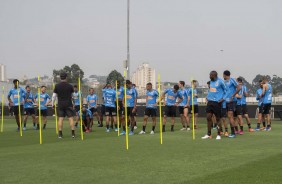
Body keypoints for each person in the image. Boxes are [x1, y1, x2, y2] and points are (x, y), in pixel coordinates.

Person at [202, 71, 227, 140]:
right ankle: (208, 134)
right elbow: (212, 90)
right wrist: (207, 97)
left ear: (214, 75)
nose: (209, 76)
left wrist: (223, 99)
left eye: (211, 75)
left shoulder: (221, 81)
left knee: (218, 118)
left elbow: (227, 91)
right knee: (208, 117)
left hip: (217, 102)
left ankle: (219, 134)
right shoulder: (211, 82)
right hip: (210, 102)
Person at [52, 72, 76, 138]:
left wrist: (52, 104)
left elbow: (54, 96)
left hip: (60, 104)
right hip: (68, 104)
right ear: (66, 77)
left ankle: (60, 134)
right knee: (70, 118)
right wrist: (74, 103)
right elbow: (73, 96)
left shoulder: (57, 86)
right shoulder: (70, 86)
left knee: (60, 119)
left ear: (60, 77)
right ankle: (73, 133)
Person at [223, 70, 241, 138]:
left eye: (223, 75)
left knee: (230, 116)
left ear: (225, 75)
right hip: (225, 101)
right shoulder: (224, 82)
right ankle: (231, 132)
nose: (223, 76)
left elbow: (239, 88)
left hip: (232, 101)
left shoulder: (232, 80)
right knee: (228, 116)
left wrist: (233, 95)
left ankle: (233, 133)